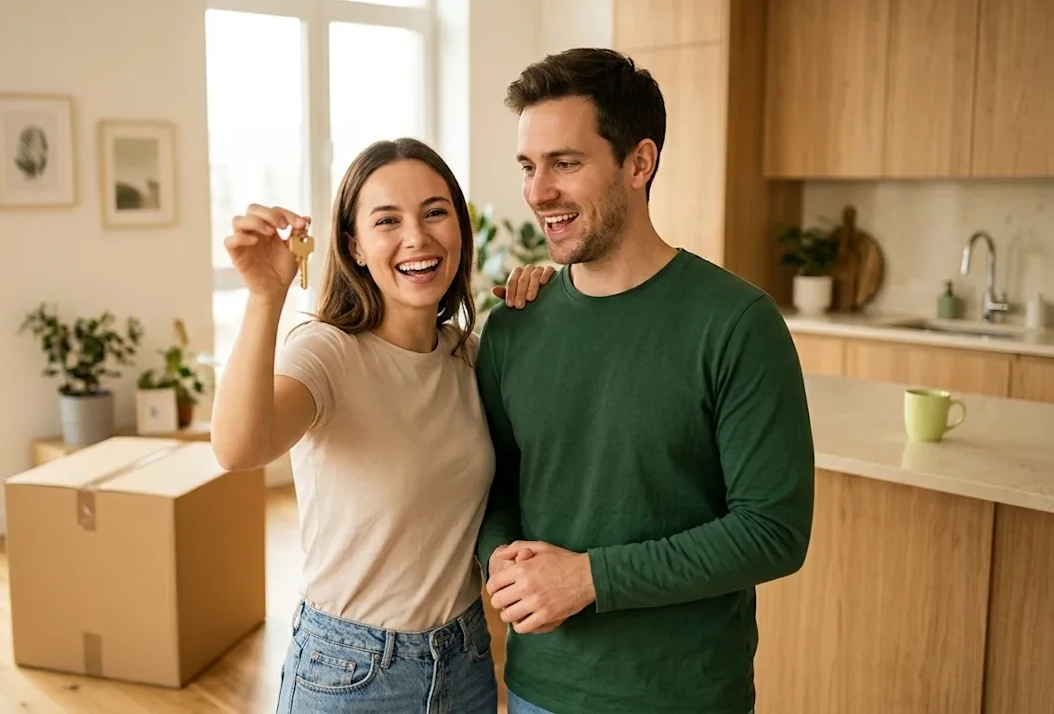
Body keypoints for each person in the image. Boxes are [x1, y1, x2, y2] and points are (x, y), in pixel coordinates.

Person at [475, 48, 816, 714]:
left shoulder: (736, 322)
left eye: (565, 164)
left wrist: (589, 578)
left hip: (682, 695)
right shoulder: (514, 325)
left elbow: (774, 529)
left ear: (639, 162)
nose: (538, 192)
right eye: (528, 166)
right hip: (538, 690)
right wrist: (501, 560)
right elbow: (493, 486)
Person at [209, 137, 553, 714]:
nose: (416, 237)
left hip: (466, 658)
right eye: (387, 220)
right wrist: (264, 298)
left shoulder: (471, 357)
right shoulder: (328, 353)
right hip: (351, 671)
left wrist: (551, 297)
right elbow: (238, 449)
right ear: (356, 247)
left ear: (460, 232)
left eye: (435, 212)